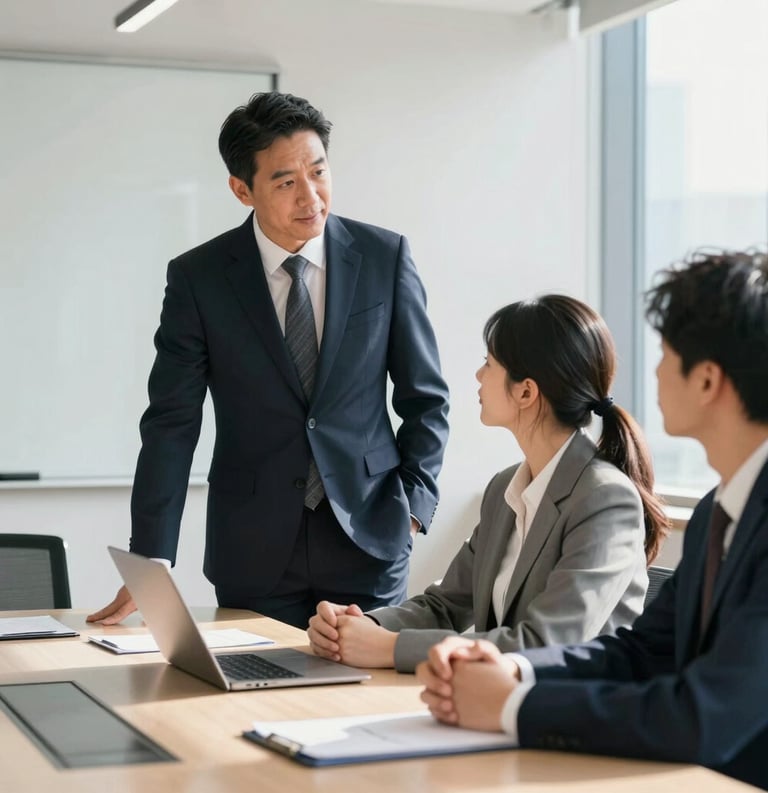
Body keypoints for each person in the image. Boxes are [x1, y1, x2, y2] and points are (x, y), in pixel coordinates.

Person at [87, 91, 449, 630]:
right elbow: (171, 422)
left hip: (369, 537)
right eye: (285, 182)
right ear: (241, 189)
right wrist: (152, 557)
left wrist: (413, 510)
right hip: (253, 550)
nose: (311, 197)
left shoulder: (383, 258)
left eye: (319, 172)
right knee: (251, 697)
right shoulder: (200, 279)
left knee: (366, 702)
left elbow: (426, 399)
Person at [416, 250, 768, 791]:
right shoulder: (716, 516)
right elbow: (638, 651)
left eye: (666, 353)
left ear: (707, 380)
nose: (652, 370)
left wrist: (515, 706)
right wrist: (518, 670)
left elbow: (704, 717)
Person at [307, 294, 668, 671]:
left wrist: (390, 648)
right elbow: (444, 606)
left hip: (572, 715)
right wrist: (359, 627)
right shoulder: (505, 488)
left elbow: (547, 643)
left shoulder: (605, 499)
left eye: (488, 363)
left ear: (526, 391)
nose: (479, 375)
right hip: (497, 705)